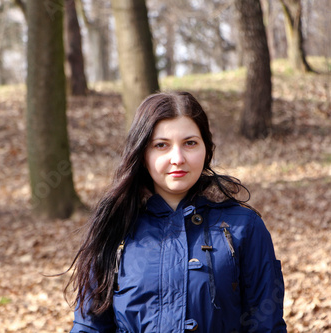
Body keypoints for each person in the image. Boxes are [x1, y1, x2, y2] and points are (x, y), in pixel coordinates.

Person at [67, 91, 286, 332]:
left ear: (207, 149)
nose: (178, 158)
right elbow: (89, 327)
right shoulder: (114, 228)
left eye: (190, 143)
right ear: (142, 154)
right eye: (161, 145)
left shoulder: (244, 227)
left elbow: (266, 326)